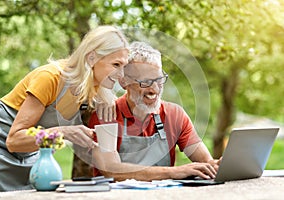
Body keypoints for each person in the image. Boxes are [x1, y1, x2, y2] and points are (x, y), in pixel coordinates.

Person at [0, 25, 129, 192]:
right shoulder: (50, 78)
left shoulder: (96, 89)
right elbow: (14, 141)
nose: (122, 74)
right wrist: (64, 132)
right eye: (116, 64)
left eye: (124, 66)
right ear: (91, 58)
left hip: (34, 150)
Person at [89, 41, 220, 181]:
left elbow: (206, 162)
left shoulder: (174, 115)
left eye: (158, 79)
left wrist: (217, 165)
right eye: (145, 81)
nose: (154, 88)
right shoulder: (106, 114)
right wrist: (172, 172)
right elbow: (111, 170)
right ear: (124, 82)